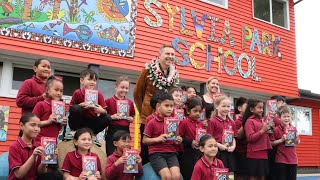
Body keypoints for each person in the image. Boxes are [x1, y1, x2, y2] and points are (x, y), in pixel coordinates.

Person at [134, 44, 179, 165]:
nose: (170, 56)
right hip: (148, 117)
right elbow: (138, 93)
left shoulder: (173, 73)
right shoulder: (148, 69)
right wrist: (144, 111)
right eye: (167, 54)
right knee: (145, 151)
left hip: (166, 119)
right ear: (160, 55)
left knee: (163, 148)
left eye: (172, 54)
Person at [143, 91, 182, 180]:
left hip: (171, 152)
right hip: (157, 153)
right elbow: (145, 140)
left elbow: (175, 140)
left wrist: (178, 140)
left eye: (171, 106)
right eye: (166, 106)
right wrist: (157, 139)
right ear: (158, 107)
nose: (169, 109)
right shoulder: (152, 121)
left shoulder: (174, 122)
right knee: (166, 176)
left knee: (176, 176)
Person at [68, 69, 112, 146]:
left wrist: (101, 110)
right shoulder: (78, 92)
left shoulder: (99, 94)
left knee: (107, 117)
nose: (92, 82)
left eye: (94, 80)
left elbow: (105, 111)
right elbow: (71, 109)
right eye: (89, 79)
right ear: (81, 81)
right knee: (75, 108)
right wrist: (80, 106)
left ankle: (93, 135)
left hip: (92, 121)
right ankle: (74, 132)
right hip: (79, 121)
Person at [8, 113, 46, 180]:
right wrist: (33, 156)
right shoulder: (14, 147)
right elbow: (19, 175)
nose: (37, 129)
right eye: (33, 125)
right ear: (22, 126)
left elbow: (40, 172)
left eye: (39, 126)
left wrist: (46, 159)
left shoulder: (39, 146)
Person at [105, 76, 135, 156]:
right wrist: (112, 117)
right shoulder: (108, 101)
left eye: (127, 88)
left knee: (126, 154)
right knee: (111, 154)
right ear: (116, 87)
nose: (124, 90)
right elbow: (103, 117)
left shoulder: (130, 103)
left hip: (125, 130)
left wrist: (131, 119)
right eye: (122, 87)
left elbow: (133, 116)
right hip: (113, 130)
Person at [243, 99, 272, 180]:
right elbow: (250, 138)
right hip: (254, 154)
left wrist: (269, 129)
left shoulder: (262, 121)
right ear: (252, 109)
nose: (262, 110)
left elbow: (264, 136)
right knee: (253, 176)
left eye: (262, 108)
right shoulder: (249, 121)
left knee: (262, 176)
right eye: (259, 108)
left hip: (264, 154)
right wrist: (263, 130)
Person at [32, 75, 67, 143]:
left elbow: (58, 128)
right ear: (47, 90)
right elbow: (32, 124)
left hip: (53, 143)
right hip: (39, 142)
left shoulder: (61, 107)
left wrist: (62, 123)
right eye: (56, 90)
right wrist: (48, 121)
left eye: (61, 91)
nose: (59, 93)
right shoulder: (41, 104)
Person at [207, 96, 236, 172]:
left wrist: (233, 146)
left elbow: (233, 137)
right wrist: (219, 145)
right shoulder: (213, 121)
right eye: (223, 106)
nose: (226, 109)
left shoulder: (232, 122)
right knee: (220, 172)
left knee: (231, 173)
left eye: (228, 106)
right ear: (217, 106)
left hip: (229, 152)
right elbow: (209, 139)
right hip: (218, 152)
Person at [178, 97, 205, 180]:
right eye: (195, 111)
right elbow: (180, 136)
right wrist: (190, 142)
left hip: (198, 153)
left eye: (200, 112)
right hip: (187, 153)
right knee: (188, 174)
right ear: (188, 111)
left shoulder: (201, 124)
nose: (198, 114)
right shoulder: (184, 122)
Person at [271, 106, 300, 180]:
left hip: (293, 159)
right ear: (279, 118)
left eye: (288, 116)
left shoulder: (293, 128)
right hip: (281, 160)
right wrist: (281, 140)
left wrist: (297, 138)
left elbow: (298, 142)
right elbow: (271, 143)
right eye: (284, 116)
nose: (287, 118)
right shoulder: (276, 129)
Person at [234, 97, 248, 180]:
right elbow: (238, 136)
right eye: (246, 107)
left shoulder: (250, 120)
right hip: (240, 153)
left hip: (248, 153)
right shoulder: (237, 121)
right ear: (239, 108)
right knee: (240, 176)